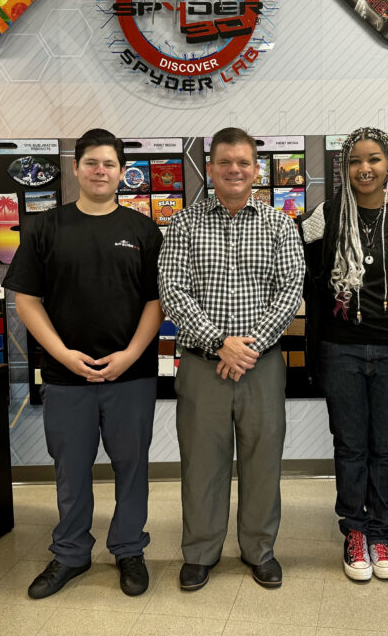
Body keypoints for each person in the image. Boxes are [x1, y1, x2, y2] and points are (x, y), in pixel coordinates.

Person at [3, 129, 164, 600]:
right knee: (70, 470)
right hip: (65, 377)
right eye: (91, 163)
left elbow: (156, 302)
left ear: (121, 173)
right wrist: (63, 355)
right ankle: (71, 552)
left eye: (109, 164)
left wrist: (130, 355)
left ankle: (129, 549)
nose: (100, 171)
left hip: (130, 375)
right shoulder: (44, 228)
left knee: (131, 467)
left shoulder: (143, 230)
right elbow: (27, 301)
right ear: (75, 169)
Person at [158, 127, 304, 591]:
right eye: (225, 162)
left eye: (243, 162)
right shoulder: (183, 224)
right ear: (211, 169)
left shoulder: (280, 223)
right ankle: (201, 551)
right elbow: (173, 292)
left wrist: (249, 345)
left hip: (262, 366)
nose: (235, 170)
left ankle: (259, 549)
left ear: (256, 169)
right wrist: (220, 342)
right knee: (202, 462)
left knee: (263, 461)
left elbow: (290, 291)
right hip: (203, 365)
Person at [298, 128, 388, 582]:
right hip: (341, 350)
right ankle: (354, 531)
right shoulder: (323, 216)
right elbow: (307, 278)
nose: (364, 169)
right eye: (355, 161)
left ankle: (380, 531)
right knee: (351, 446)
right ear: (344, 168)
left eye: (373, 159)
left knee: (385, 447)